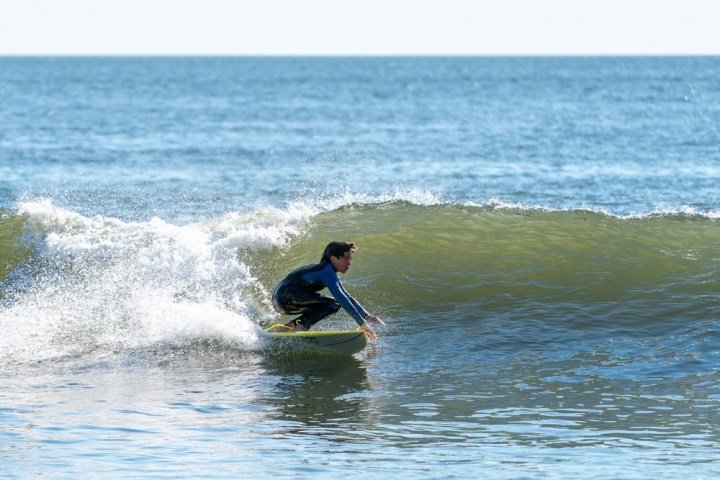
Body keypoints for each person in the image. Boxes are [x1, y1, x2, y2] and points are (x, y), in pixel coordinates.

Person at [271, 241, 384, 341]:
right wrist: (361, 323)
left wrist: (367, 316)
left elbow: (346, 296)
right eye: (346, 258)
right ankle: (300, 328)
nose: (349, 263)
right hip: (287, 295)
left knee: (324, 305)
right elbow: (341, 299)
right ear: (333, 258)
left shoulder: (326, 270)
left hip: (280, 300)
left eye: (350, 259)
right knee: (333, 304)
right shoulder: (326, 271)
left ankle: (286, 327)